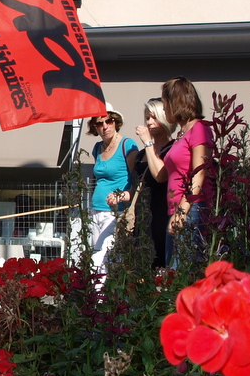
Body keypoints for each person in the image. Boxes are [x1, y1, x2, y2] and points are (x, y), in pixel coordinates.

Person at [142, 77, 214, 266]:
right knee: (173, 273)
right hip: (176, 210)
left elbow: (199, 172)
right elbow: (164, 174)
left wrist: (182, 212)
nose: (164, 109)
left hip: (192, 210)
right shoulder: (182, 134)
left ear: (176, 102)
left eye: (165, 103)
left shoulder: (199, 129)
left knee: (183, 272)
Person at [88, 103, 138, 275]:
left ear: (115, 121)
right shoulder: (97, 148)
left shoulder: (127, 145)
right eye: (99, 123)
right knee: (96, 254)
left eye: (108, 121)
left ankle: (100, 299)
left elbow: (137, 181)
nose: (105, 126)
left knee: (103, 259)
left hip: (116, 212)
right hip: (95, 211)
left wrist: (121, 196)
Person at [134, 98, 176, 267]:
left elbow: (160, 175)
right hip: (142, 217)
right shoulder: (141, 154)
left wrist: (148, 143)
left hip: (161, 216)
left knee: (160, 265)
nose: (149, 122)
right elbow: (135, 184)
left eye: (154, 117)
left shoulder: (173, 149)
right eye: (147, 118)